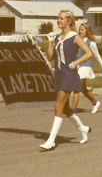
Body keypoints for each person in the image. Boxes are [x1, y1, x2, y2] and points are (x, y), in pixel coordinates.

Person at [40, 11, 93, 150]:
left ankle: (51, 140)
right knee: (65, 108)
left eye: (61, 18)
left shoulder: (75, 37)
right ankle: (83, 129)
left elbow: (89, 53)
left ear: (69, 21)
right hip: (59, 75)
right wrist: (50, 41)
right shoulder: (58, 37)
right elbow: (50, 57)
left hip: (70, 74)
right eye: (57, 18)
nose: (58, 20)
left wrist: (75, 63)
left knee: (58, 106)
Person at [71, 22, 102, 114]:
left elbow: (97, 56)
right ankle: (95, 102)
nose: (80, 31)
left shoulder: (91, 43)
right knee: (83, 89)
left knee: (77, 86)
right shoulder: (77, 41)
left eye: (82, 30)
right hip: (78, 67)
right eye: (79, 29)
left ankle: (73, 109)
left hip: (86, 67)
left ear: (87, 31)